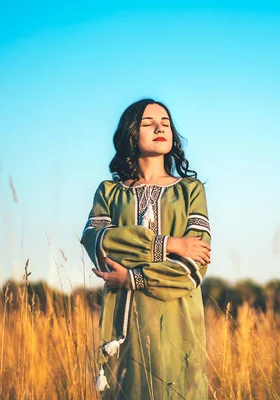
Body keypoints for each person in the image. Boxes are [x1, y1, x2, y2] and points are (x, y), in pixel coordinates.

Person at [81, 98, 212, 399]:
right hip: (124, 326)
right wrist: (169, 244)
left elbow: (193, 268)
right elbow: (98, 243)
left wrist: (133, 277)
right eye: (147, 123)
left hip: (179, 319)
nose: (159, 127)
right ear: (131, 133)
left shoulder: (190, 191)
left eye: (165, 122)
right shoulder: (110, 192)